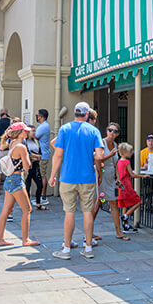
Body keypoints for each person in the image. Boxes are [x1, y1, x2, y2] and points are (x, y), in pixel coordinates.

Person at [50, 102, 104, 260]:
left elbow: (58, 155)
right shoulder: (93, 131)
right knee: (88, 211)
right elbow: (100, 156)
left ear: (75, 113)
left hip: (68, 177)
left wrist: (52, 175)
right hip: (87, 178)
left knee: (69, 212)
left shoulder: (64, 129)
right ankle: (88, 248)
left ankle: (66, 250)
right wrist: (91, 156)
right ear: (87, 115)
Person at [0, 122, 40, 247]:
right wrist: (31, 160)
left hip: (9, 179)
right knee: (27, 209)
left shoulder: (12, 144)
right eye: (25, 131)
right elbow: (26, 166)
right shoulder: (21, 147)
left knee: (6, 211)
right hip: (16, 179)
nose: (27, 132)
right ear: (20, 133)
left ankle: (0, 239)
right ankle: (26, 240)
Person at [92, 122, 130, 240]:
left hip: (110, 178)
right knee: (98, 203)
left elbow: (115, 164)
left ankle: (118, 232)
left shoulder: (115, 144)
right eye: (110, 130)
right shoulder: (101, 143)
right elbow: (97, 159)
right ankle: (89, 231)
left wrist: (118, 177)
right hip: (100, 176)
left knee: (114, 203)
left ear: (117, 134)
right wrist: (110, 155)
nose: (111, 133)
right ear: (106, 131)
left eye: (114, 131)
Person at [116, 142, 148, 233]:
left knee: (124, 205)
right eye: (130, 152)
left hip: (120, 186)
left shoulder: (119, 162)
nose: (131, 153)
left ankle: (125, 225)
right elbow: (132, 175)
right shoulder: (126, 162)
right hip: (127, 185)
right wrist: (143, 176)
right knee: (138, 201)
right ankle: (126, 216)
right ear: (125, 152)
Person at [22, 125, 46, 211]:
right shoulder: (24, 142)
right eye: (32, 131)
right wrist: (34, 156)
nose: (34, 133)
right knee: (27, 186)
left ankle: (38, 203)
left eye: (34, 131)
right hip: (28, 166)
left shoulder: (36, 141)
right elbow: (28, 154)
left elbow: (40, 154)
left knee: (40, 185)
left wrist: (36, 157)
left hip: (35, 165)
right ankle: (28, 206)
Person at [35, 109, 51, 205]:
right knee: (41, 175)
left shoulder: (43, 126)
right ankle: (40, 196)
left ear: (41, 116)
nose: (36, 117)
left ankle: (43, 196)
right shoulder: (44, 126)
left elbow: (35, 136)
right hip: (43, 153)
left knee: (42, 175)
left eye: (37, 115)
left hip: (43, 154)